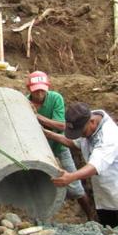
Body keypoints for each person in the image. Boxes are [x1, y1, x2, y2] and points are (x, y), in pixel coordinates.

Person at [43, 102, 118, 228]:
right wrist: (48, 134)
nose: (81, 135)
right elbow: (74, 143)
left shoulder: (109, 137)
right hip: (104, 192)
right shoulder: (86, 122)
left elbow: (95, 166)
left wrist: (71, 177)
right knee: (108, 229)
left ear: (92, 122)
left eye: (81, 132)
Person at [27, 72, 95, 221]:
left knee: (75, 186)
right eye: (36, 91)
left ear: (47, 88)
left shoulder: (55, 98)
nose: (39, 94)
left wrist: (38, 117)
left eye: (42, 90)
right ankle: (39, 217)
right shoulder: (25, 102)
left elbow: (61, 125)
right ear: (29, 89)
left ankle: (91, 217)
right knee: (38, 182)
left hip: (59, 146)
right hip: (39, 151)